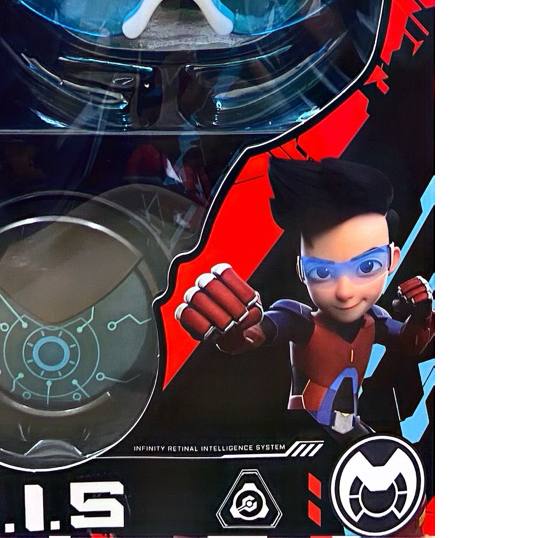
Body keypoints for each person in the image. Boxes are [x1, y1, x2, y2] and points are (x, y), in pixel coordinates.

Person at [175, 156, 434, 437]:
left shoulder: (374, 321)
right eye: (322, 271)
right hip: (307, 432)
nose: (344, 292)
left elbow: (410, 343)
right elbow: (254, 334)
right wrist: (231, 328)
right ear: (301, 269)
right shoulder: (301, 320)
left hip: (349, 428)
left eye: (366, 266)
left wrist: (421, 313)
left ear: (392, 260)